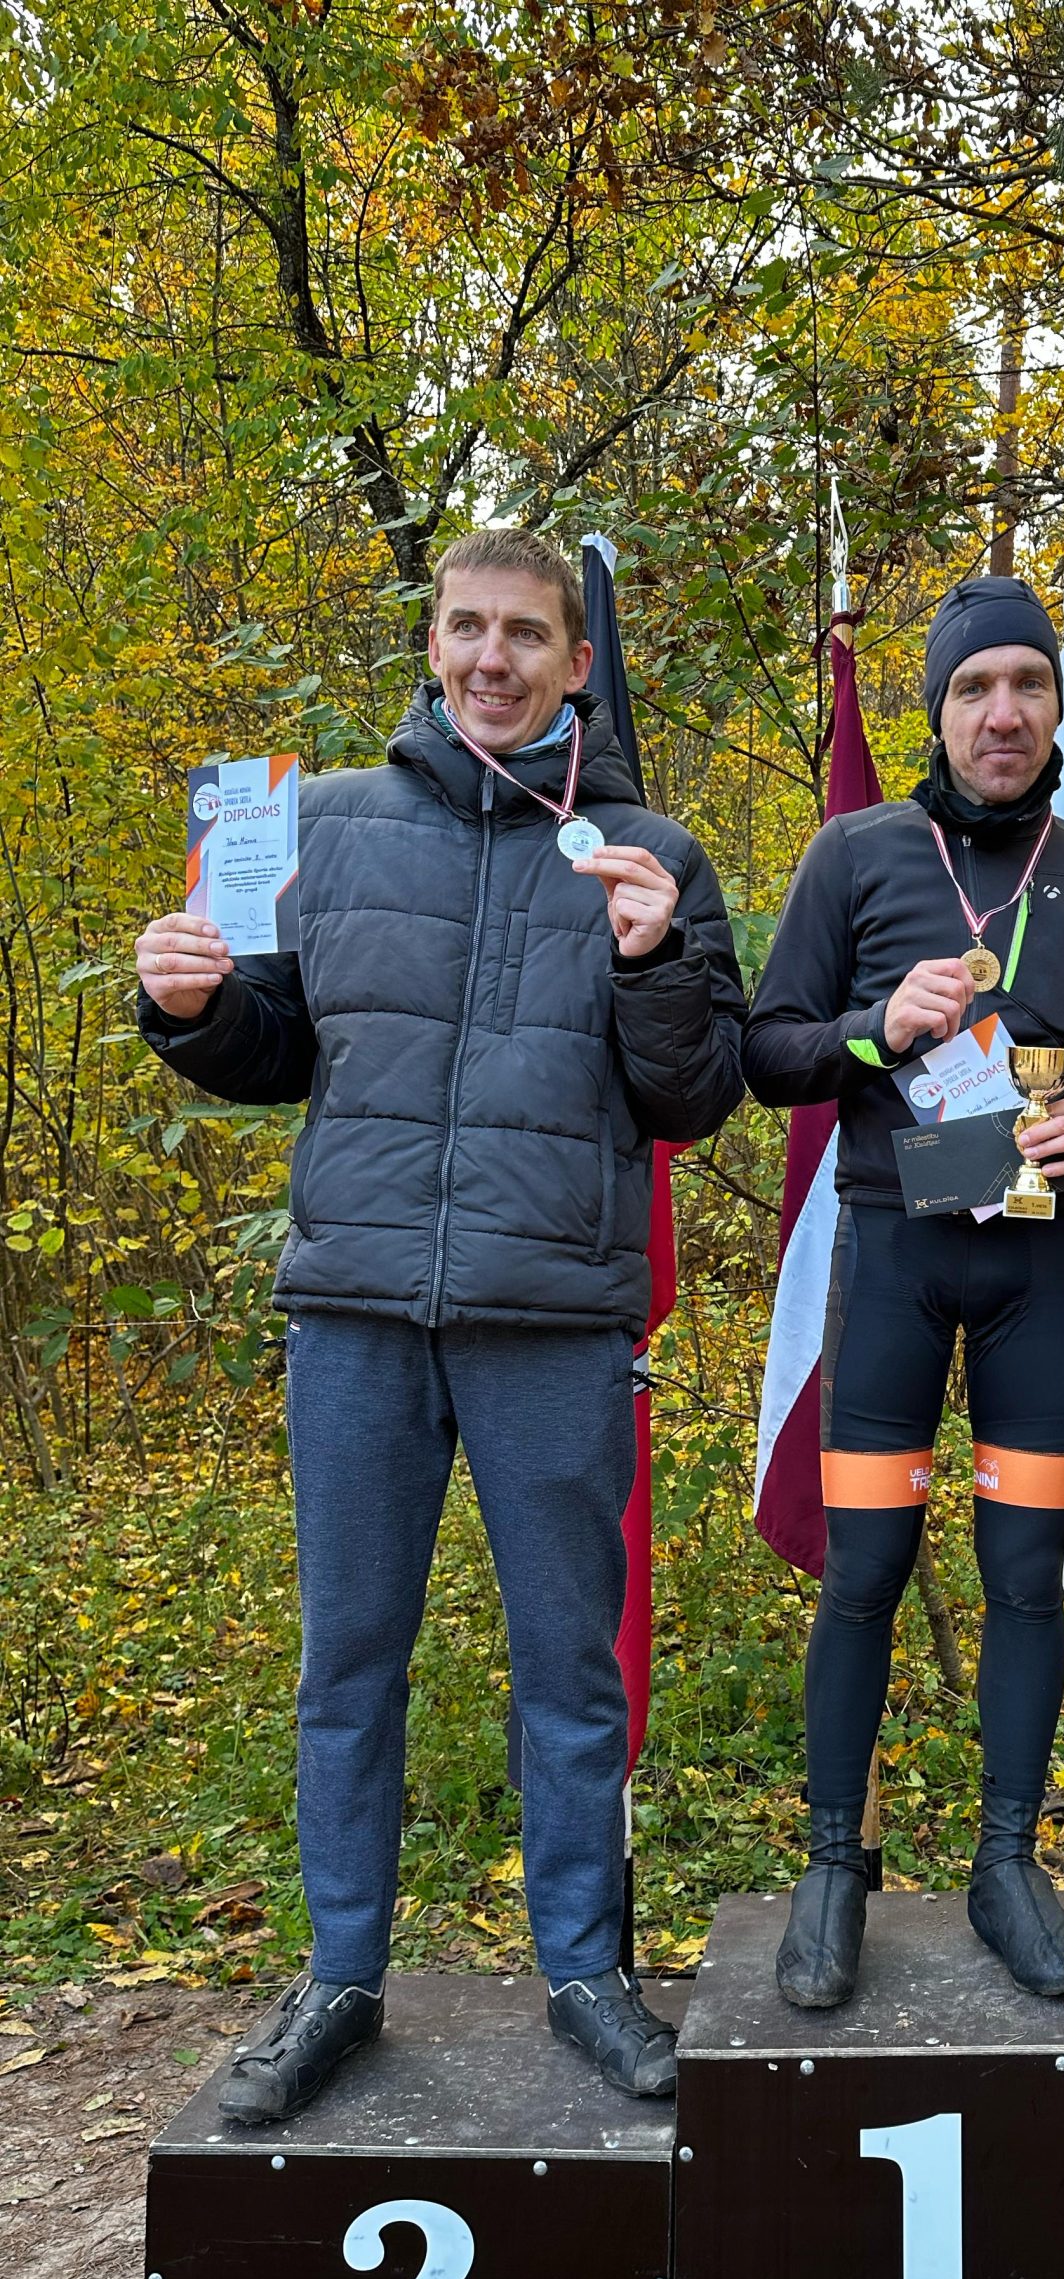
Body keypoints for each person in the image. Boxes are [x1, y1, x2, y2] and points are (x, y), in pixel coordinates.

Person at [136, 529, 746, 2121]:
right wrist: (187, 1009)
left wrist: (652, 960)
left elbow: (698, 1094)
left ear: (577, 663)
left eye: (526, 634)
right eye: (467, 627)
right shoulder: (321, 825)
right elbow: (274, 1049)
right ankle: (339, 1978)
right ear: (431, 644)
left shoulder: (651, 854)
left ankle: (587, 1973)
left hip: (553, 1322)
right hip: (356, 1313)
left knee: (571, 1675)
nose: (493, 659)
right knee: (349, 1663)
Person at [744, 574, 1064, 2007]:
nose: (1002, 712)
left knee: (1023, 1580)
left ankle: (1008, 1863)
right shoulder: (854, 854)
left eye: (1027, 684)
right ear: (936, 710)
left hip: (1035, 1277)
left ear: (1056, 703)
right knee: (865, 1576)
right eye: (972, 688)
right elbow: (766, 1053)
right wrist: (876, 1031)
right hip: (892, 1261)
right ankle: (835, 1868)